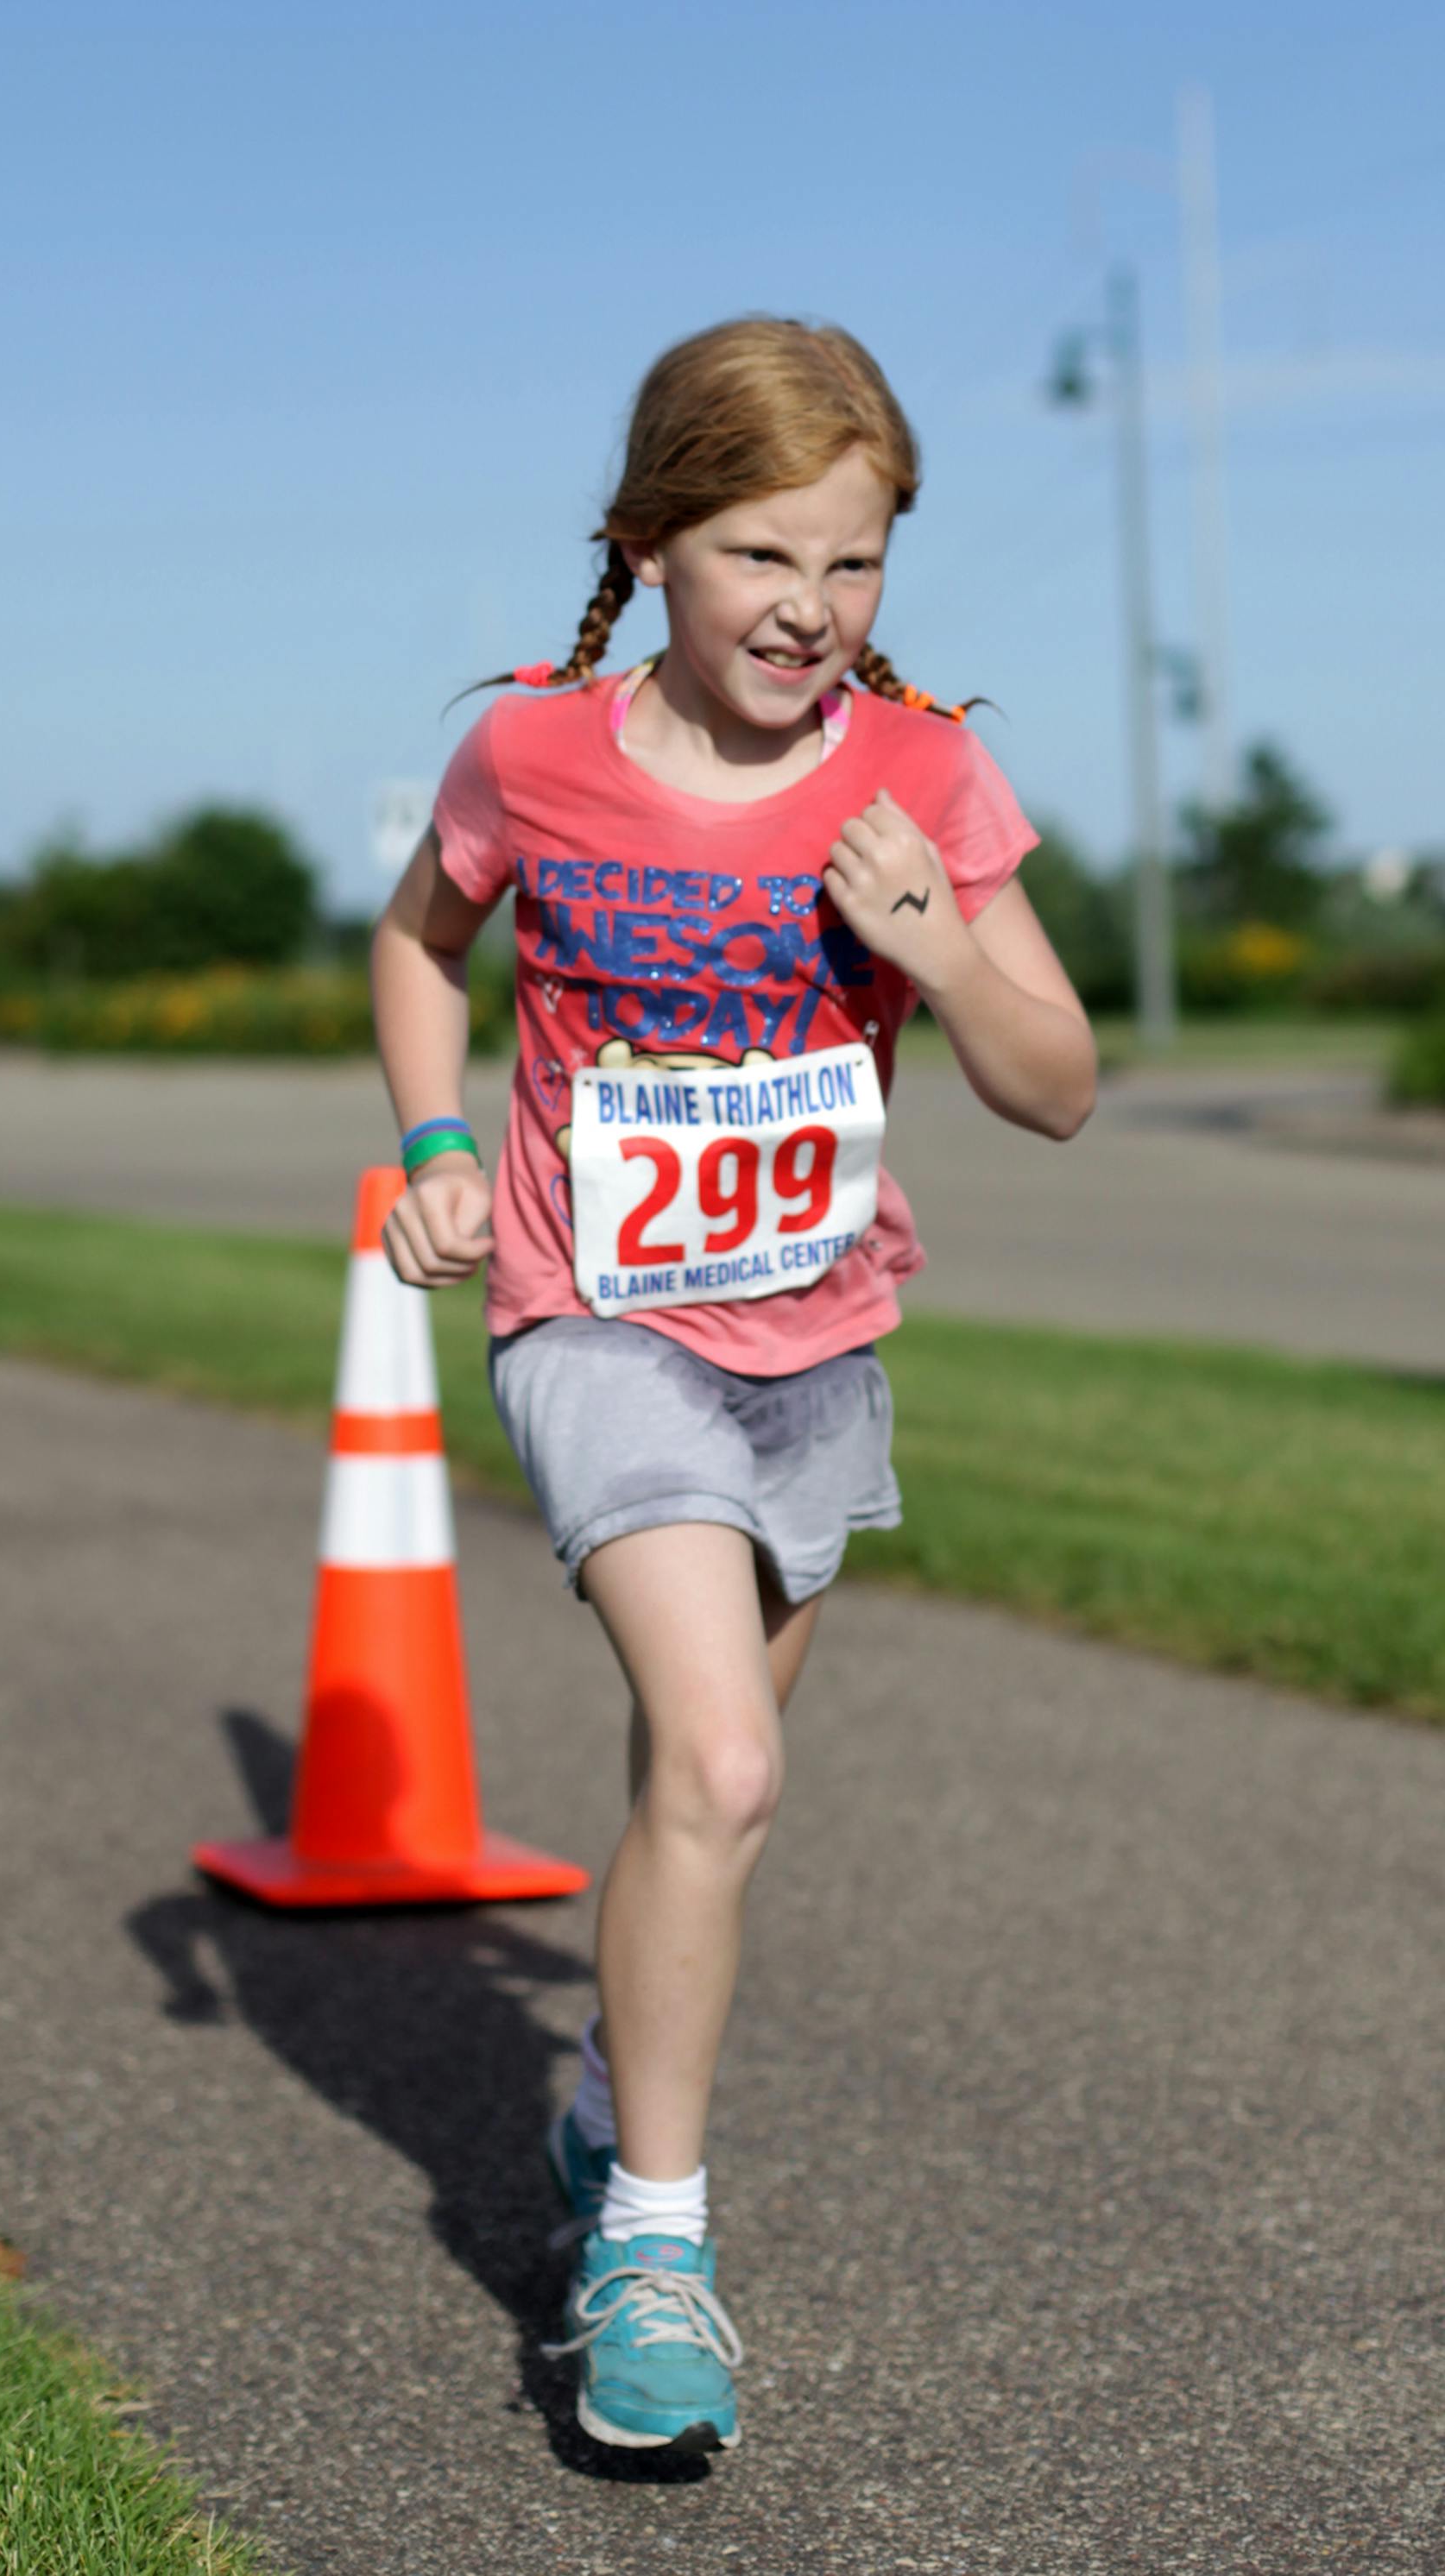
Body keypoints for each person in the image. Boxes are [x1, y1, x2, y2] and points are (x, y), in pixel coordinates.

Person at [369, 317, 1095, 2456]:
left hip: (817, 1344)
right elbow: (422, 943)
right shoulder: (533, 757)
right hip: (596, 1321)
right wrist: (431, 1152)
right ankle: (658, 2252)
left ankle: (610, 2097)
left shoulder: (924, 774)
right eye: (764, 556)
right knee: (724, 1761)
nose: (811, 610)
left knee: (707, 1781)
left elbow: (1058, 1086)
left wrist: (942, 948)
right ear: (652, 544)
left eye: (856, 564)